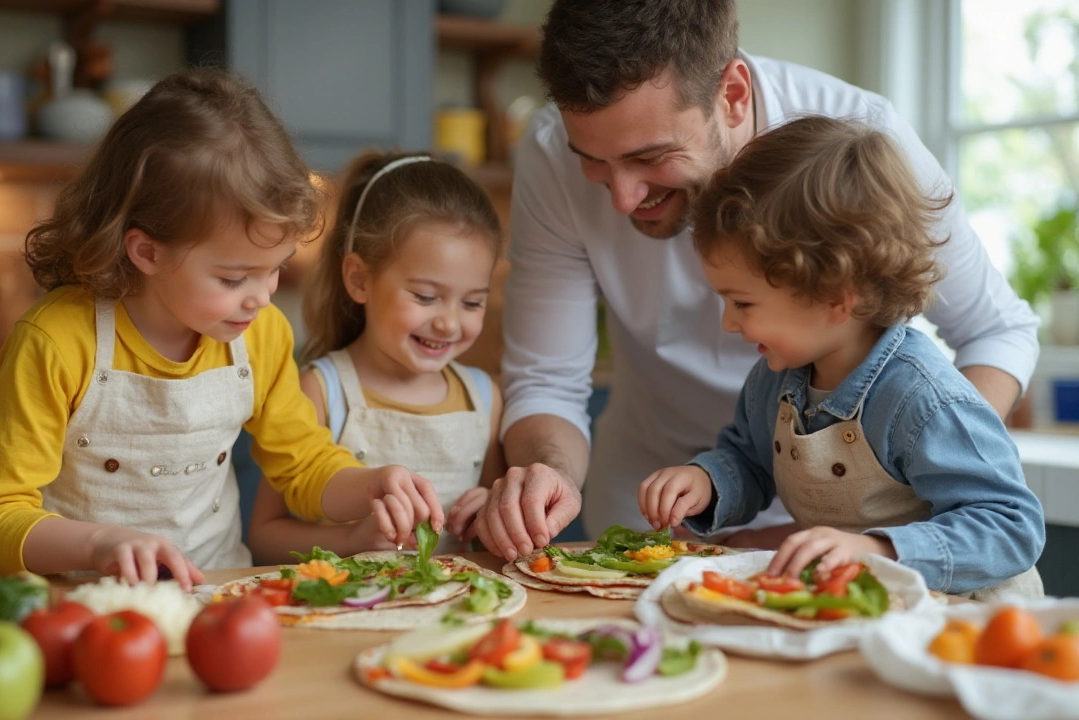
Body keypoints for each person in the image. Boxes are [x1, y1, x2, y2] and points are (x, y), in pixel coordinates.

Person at [477, 0, 1040, 562]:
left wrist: (889, 508)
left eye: (651, 156)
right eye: (594, 162)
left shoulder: (862, 149)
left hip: (881, 537)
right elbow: (547, 378)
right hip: (656, 497)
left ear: (734, 93)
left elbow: (997, 330)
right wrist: (549, 476)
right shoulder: (550, 151)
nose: (623, 199)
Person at [0, 70, 444, 591]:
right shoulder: (57, 340)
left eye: (276, 267)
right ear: (146, 251)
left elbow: (302, 464)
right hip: (75, 605)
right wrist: (98, 544)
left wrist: (370, 483)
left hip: (215, 594)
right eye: (234, 277)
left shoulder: (261, 334)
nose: (263, 296)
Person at [638, 116, 1044, 598]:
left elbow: (1010, 526)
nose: (729, 322)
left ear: (836, 295)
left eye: (742, 303)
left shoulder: (924, 397)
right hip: (865, 606)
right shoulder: (773, 381)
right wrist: (706, 480)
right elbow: (749, 460)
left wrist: (878, 551)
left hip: (972, 619)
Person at [248, 152, 507, 563]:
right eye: (425, 297)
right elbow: (263, 537)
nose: (449, 323)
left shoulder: (484, 399)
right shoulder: (321, 389)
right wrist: (351, 542)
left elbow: (492, 544)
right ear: (359, 280)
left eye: (472, 303)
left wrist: (491, 518)